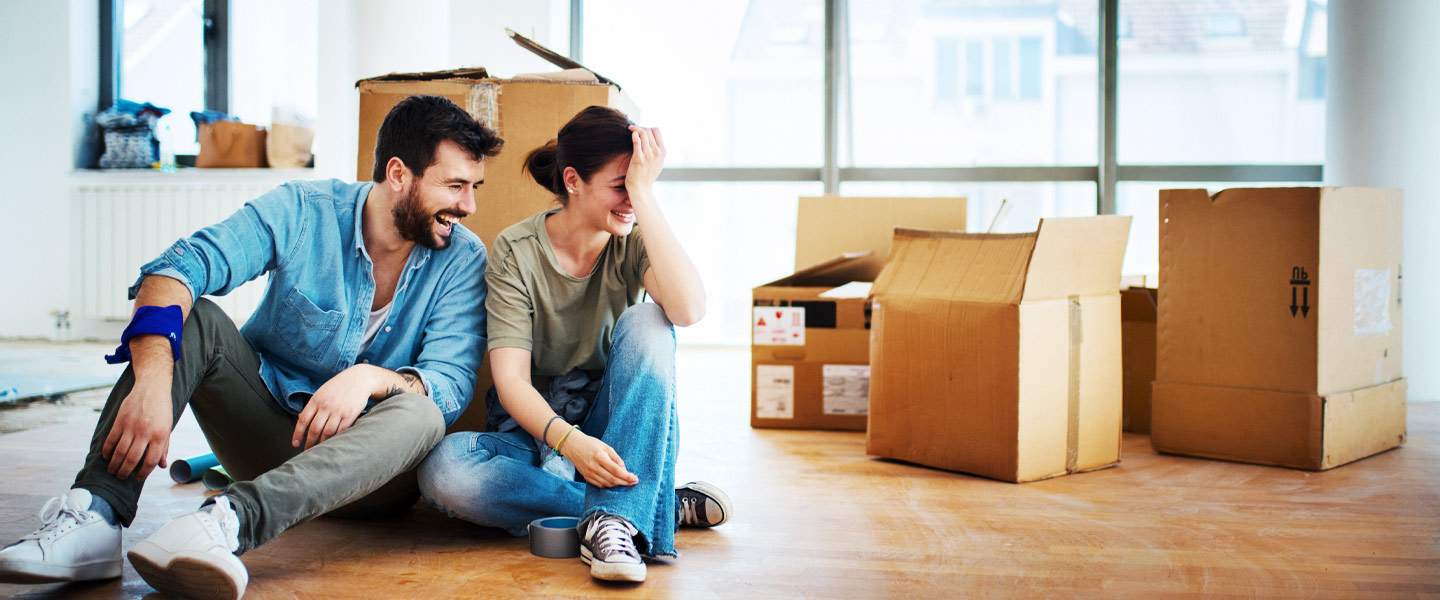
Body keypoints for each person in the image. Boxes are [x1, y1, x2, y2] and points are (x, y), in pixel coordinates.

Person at [0, 95, 502, 600]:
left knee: (421, 413)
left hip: (371, 478)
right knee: (195, 318)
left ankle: (226, 524)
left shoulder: (461, 260)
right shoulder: (305, 211)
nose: (468, 206)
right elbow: (180, 266)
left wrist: (370, 379)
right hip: (267, 439)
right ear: (398, 173)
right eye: (455, 185)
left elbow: (450, 383)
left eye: (473, 187)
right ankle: (97, 516)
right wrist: (153, 380)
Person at [418, 106, 732, 583]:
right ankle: (650, 507)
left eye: (641, 184)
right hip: (537, 433)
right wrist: (571, 443)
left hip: (612, 433)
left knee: (651, 320)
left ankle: (619, 517)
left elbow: (688, 310)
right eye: (621, 185)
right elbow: (511, 383)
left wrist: (643, 196)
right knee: (445, 471)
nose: (631, 200)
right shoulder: (515, 251)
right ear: (572, 181)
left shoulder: (634, 238)